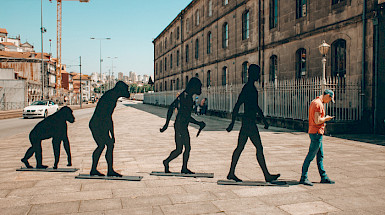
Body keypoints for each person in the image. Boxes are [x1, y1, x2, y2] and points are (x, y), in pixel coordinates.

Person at [226, 64, 280, 182]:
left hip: (248, 122)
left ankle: (231, 173)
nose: (258, 75)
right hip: (249, 124)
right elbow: (237, 105)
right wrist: (232, 123)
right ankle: (266, 175)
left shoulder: (250, 87)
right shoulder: (248, 88)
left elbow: (255, 107)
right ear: (252, 74)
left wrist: (264, 120)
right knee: (257, 148)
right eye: (257, 73)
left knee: (240, 148)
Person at [160, 77, 206, 174]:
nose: (200, 90)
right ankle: (171, 163)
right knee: (182, 149)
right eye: (199, 87)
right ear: (194, 87)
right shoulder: (186, 98)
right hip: (180, 126)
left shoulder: (185, 95)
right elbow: (186, 116)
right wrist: (198, 123)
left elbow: (171, 107)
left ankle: (177, 165)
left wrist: (166, 124)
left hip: (181, 125)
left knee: (181, 149)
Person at [89, 81, 130, 177]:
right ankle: (103, 170)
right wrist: (111, 133)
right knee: (104, 145)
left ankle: (99, 169)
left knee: (105, 145)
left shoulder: (112, 95)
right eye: (126, 90)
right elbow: (107, 117)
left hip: (100, 123)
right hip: (97, 124)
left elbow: (108, 117)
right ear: (121, 90)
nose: (128, 92)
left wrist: (112, 134)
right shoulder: (111, 97)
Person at [299, 89, 335, 186]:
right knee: (311, 156)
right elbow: (317, 120)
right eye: (330, 99)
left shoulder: (316, 102)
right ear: (327, 95)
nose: (329, 102)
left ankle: (323, 176)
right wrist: (326, 118)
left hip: (316, 133)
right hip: (316, 133)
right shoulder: (318, 104)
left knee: (320, 156)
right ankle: (303, 177)